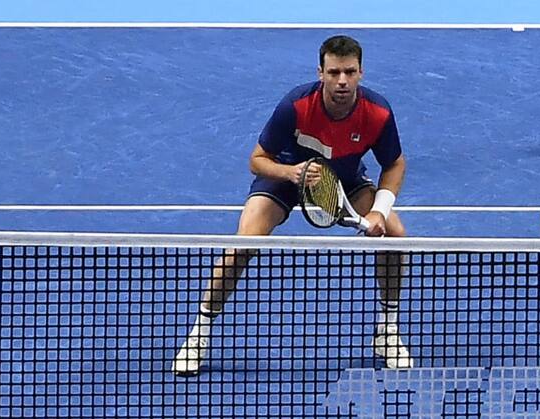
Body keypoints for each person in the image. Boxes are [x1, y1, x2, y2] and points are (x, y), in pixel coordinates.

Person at [171, 35, 411, 375]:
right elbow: (257, 160)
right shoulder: (295, 106)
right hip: (285, 176)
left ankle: (387, 330)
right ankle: (199, 333)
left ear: (361, 72)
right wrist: (291, 173)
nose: (342, 81)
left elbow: (395, 163)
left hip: (344, 180)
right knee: (242, 246)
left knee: (395, 236)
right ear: (320, 73)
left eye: (349, 72)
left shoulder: (378, 112)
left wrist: (378, 211)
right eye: (334, 72)